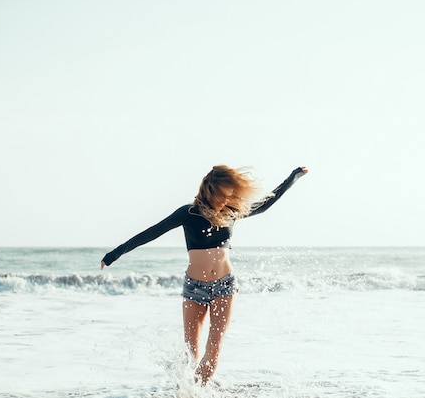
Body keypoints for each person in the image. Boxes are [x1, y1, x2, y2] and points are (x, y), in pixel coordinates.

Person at [100, 165, 308, 385]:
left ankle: (198, 392)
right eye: (221, 195)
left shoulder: (231, 211)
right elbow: (151, 232)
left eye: (229, 196)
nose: (224, 201)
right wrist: (114, 254)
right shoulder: (188, 213)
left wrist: (293, 177)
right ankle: (187, 389)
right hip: (194, 288)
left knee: (214, 348)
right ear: (209, 190)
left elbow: (265, 204)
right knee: (190, 354)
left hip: (225, 286)